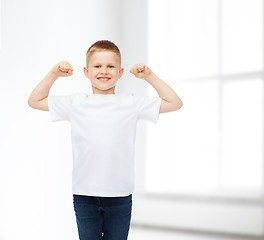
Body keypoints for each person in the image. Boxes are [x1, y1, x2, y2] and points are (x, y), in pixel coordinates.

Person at [27, 40, 183, 240]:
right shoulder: (75, 103)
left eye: (110, 66)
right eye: (97, 66)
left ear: (120, 72)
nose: (104, 71)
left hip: (120, 195)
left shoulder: (131, 103)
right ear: (86, 71)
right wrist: (54, 74)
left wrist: (149, 76)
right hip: (85, 194)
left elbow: (175, 103)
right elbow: (34, 101)